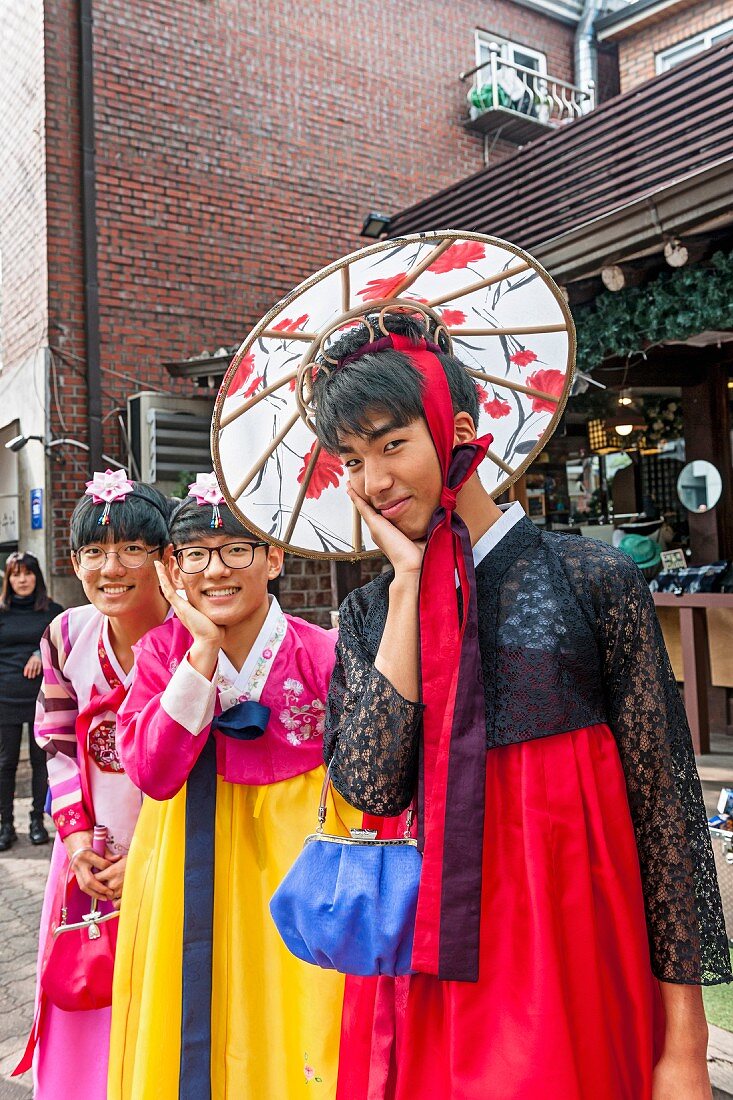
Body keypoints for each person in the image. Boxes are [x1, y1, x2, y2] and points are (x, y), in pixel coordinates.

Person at [312, 314, 730, 1100]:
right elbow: (366, 788)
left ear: (457, 429)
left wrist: (684, 1046)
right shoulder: (371, 613)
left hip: (571, 952)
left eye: (391, 444)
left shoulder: (589, 579)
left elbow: (666, 816)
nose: (371, 481)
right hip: (430, 964)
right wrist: (406, 589)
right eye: (351, 460)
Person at [108, 474, 358, 1100]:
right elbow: (154, 773)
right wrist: (203, 652)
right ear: (174, 569)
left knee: (312, 1011)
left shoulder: (323, 652)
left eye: (236, 550)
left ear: (274, 558)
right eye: (195, 555)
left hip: (305, 858)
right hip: (188, 862)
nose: (215, 571)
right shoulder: (163, 652)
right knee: (196, 1010)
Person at [17, 471, 172, 1099]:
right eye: (93, 552)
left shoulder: (193, 637)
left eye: (133, 548)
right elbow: (55, 745)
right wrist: (78, 838)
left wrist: (145, 856)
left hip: (173, 853)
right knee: (86, 990)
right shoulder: (66, 634)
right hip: (87, 857)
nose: (111, 567)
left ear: (165, 557)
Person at [0, 552, 62, 850]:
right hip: (5, 697)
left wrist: (41, 653)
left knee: (41, 761)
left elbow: (62, 646)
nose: (22, 580)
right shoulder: (1, 611)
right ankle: (6, 825)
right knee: (5, 762)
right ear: (8, 579)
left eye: (27, 573)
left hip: (44, 697)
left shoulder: (52, 611)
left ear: (37, 576)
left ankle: (37, 820)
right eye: (15, 574)